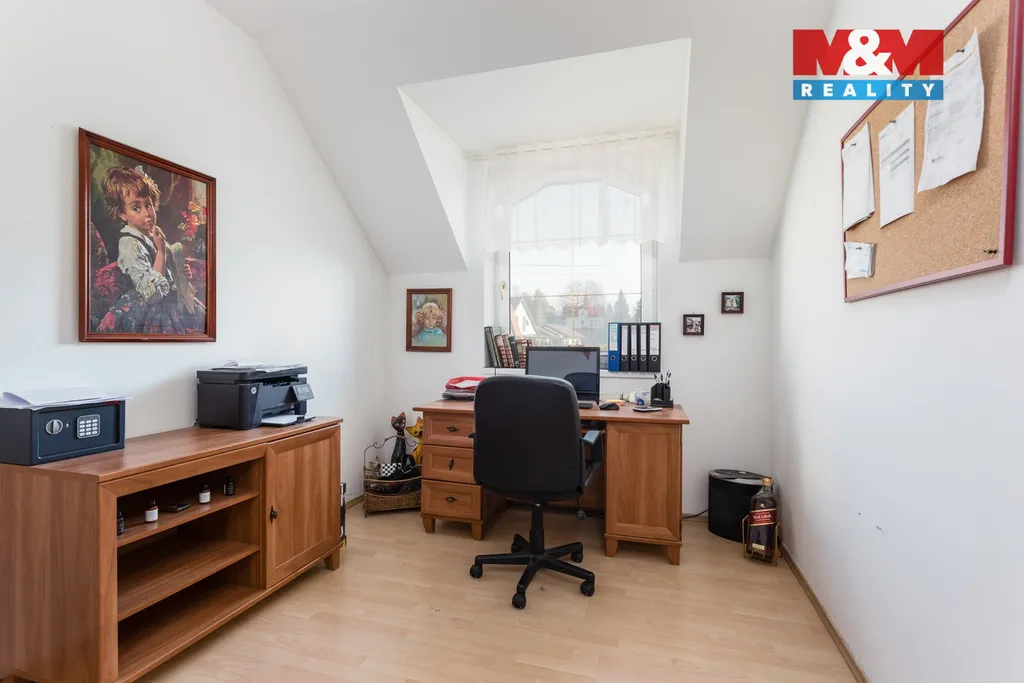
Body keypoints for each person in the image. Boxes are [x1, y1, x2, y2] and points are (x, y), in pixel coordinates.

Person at [96, 166, 204, 334]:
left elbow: (166, 274)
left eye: (148, 204)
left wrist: (181, 274)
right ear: (122, 214)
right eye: (136, 208)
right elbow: (152, 293)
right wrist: (161, 252)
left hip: (168, 300)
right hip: (148, 308)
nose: (147, 213)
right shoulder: (129, 244)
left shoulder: (154, 235)